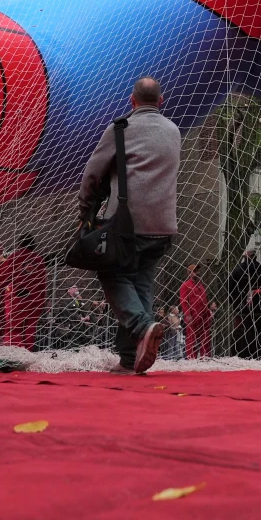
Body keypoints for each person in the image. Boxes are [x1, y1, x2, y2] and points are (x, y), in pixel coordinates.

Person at [77, 77, 182, 374]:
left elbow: (92, 174)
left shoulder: (120, 128)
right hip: (163, 226)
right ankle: (127, 359)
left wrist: (85, 211)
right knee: (141, 285)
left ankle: (143, 325)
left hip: (126, 224)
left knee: (111, 273)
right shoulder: (174, 131)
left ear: (131, 101)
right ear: (161, 102)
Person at [179, 263, 213, 359]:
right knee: (191, 339)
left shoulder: (200, 285)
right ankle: (191, 358)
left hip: (203, 316)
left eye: (198, 271)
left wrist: (208, 313)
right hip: (193, 316)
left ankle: (205, 357)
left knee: (205, 338)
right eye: (195, 271)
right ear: (189, 273)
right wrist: (188, 314)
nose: (197, 273)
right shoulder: (185, 285)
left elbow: (205, 301)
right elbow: (184, 301)